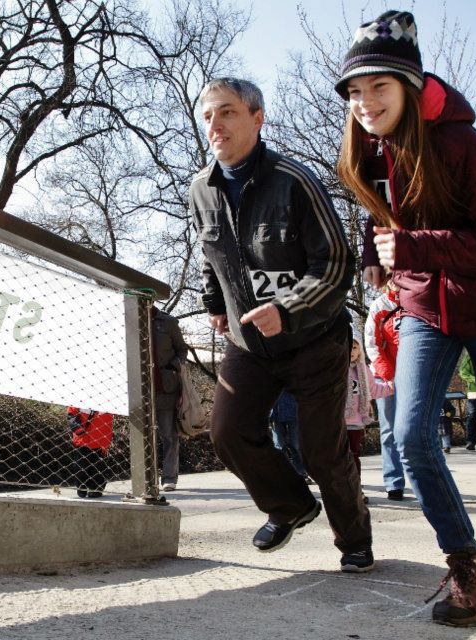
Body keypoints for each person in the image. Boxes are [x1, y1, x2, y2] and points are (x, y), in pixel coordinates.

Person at [335, 10, 476, 625]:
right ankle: (467, 565)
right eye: (355, 91)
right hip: (427, 309)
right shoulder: (366, 150)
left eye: (379, 87)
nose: (365, 102)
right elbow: (383, 222)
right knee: (408, 434)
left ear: (410, 85)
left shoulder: (466, 148)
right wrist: (378, 261)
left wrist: (415, 247)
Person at [190, 77, 373, 572]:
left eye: (226, 112)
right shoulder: (200, 190)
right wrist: (214, 304)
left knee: (321, 451)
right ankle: (291, 506)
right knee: (227, 431)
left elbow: (336, 264)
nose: (215, 124)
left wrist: (288, 308)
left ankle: (355, 540)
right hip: (250, 345)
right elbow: (211, 259)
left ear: (256, 118)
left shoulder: (294, 179)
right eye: (207, 115)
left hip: (314, 340)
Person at [364, 285, 406, 500]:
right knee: (389, 429)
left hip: (414, 375)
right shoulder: (380, 306)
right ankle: (393, 481)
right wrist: (388, 374)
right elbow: (372, 344)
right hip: (387, 376)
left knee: (415, 430)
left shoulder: (417, 299)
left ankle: (423, 479)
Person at [345, 328, 394, 502]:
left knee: (354, 457)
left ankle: (356, 491)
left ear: (360, 351)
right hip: (338, 423)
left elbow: (373, 390)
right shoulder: (334, 368)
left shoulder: (363, 370)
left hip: (357, 423)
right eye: (348, 347)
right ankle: (341, 490)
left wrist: (390, 387)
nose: (351, 351)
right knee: (340, 458)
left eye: (355, 348)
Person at [151, 305, 189, 492]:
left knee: (168, 434)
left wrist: (173, 368)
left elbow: (183, 350)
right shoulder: (128, 320)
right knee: (143, 436)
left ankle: (169, 478)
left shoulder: (168, 322)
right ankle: (146, 477)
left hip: (166, 388)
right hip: (139, 390)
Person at [68, 406, 114, 498]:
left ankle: (95, 490)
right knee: (81, 467)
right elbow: (71, 415)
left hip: (100, 442)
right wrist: (78, 429)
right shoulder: (79, 398)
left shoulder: (109, 401)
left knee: (98, 469)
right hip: (84, 440)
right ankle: (82, 487)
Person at [269, 391, 309, 481]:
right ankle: (281, 472)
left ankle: (301, 472)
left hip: (294, 413)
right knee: (279, 445)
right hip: (275, 415)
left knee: (295, 444)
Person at [458, 355, 476, 450]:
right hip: (473, 393)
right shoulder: (469, 356)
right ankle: (471, 441)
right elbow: (463, 372)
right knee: (472, 415)